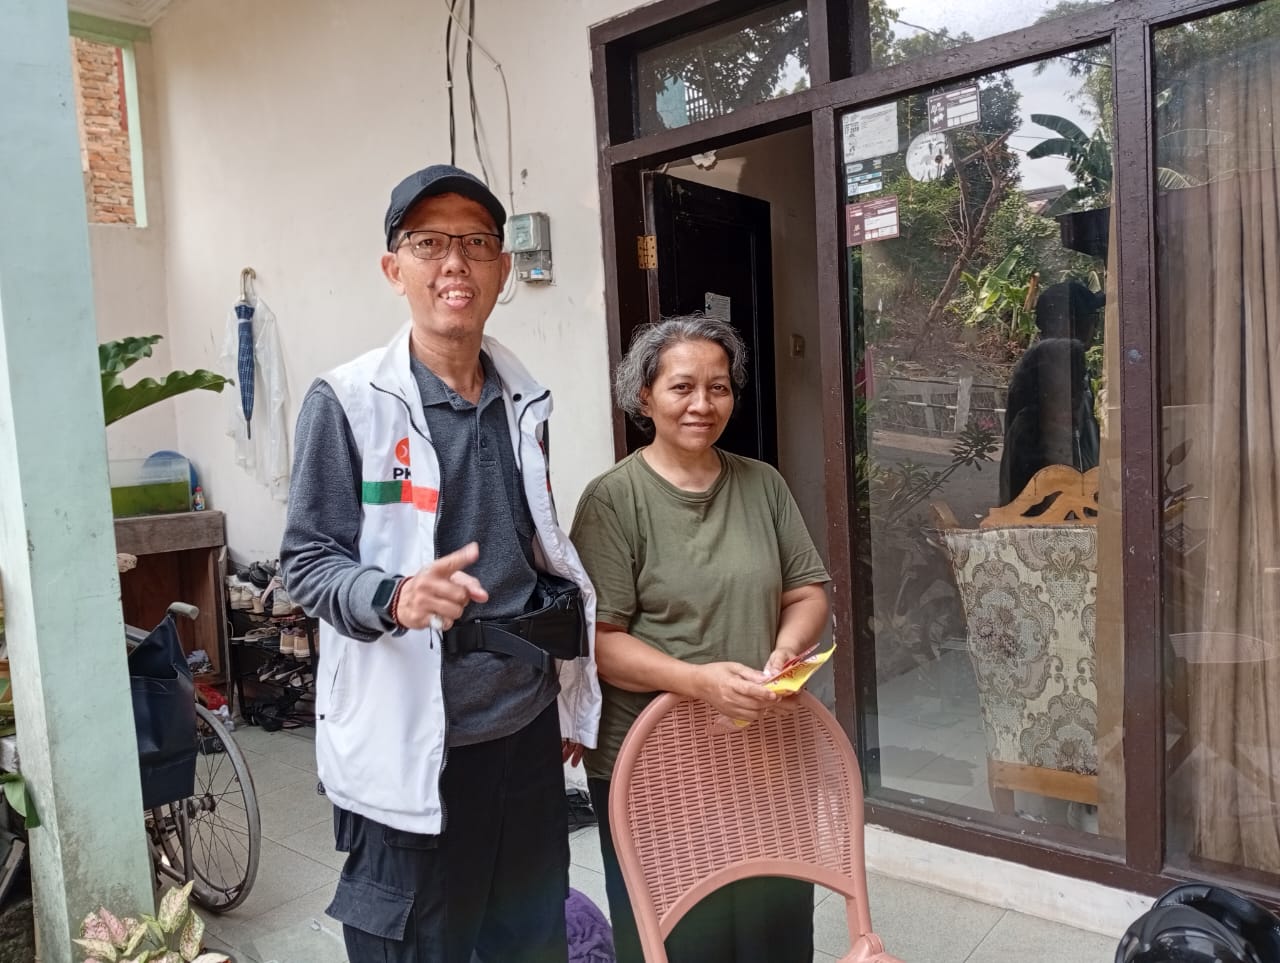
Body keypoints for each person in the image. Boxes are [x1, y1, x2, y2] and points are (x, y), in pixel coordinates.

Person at [280, 163, 601, 963]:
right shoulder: (348, 401)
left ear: (502, 268)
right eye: (429, 243)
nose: (454, 262)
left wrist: (566, 687)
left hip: (523, 730)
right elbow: (307, 560)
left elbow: (536, 549)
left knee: (531, 939)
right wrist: (393, 596)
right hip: (413, 739)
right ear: (395, 269)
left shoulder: (525, 400)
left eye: (476, 243)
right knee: (420, 945)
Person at [569, 315, 831, 963]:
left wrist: (784, 650)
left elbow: (807, 593)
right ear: (644, 396)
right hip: (655, 762)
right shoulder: (613, 500)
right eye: (682, 386)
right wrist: (699, 682)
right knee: (681, 938)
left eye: (719, 387)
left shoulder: (763, 483)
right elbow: (601, 642)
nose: (703, 404)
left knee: (774, 933)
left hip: (762, 747)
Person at [999, 280, 1106, 504]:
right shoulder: (1060, 359)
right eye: (1092, 318)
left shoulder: (1053, 363)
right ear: (1070, 322)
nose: (1095, 327)